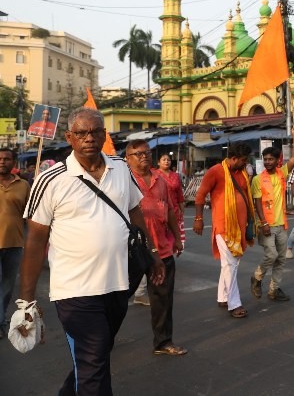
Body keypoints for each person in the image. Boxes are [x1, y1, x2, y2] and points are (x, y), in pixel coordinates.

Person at [17, 107, 165, 395]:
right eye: (82, 133)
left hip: (118, 285)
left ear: (104, 135)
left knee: (93, 358)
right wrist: (26, 301)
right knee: (95, 363)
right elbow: (35, 241)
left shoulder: (121, 169)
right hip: (75, 292)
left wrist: (153, 254)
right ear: (69, 137)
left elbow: (135, 212)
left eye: (96, 131)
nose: (89, 138)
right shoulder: (51, 180)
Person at [126, 141, 186, 356]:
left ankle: (163, 342)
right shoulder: (124, 181)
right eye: (138, 154)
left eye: (146, 153)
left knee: (163, 298)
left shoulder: (161, 179)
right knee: (115, 298)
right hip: (132, 250)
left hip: (162, 248)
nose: (143, 157)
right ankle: (102, 338)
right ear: (128, 158)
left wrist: (177, 238)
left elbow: (168, 209)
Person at [193, 143, 255, 319]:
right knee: (230, 264)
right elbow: (200, 195)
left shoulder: (241, 173)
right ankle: (234, 303)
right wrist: (198, 219)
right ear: (233, 158)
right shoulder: (215, 171)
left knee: (228, 264)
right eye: (243, 160)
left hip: (239, 226)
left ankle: (223, 296)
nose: (245, 164)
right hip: (223, 224)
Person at [250, 126, 294, 302]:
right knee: (271, 255)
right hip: (267, 225)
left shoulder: (281, 173)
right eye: (265, 159)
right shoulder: (257, 179)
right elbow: (257, 202)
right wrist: (263, 223)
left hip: (281, 225)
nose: (268, 162)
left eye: (271, 159)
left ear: (277, 160)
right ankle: (257, 277)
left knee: (280, 259)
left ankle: (274, 289)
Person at [0, 148, 30, 338]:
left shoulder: (24, 185)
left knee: (7, 287)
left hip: (14, 243)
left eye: (7, 159)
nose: (2, 161)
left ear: (14, 163)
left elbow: (30, 215)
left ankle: (1, 318)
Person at [158, 153, 186, 245]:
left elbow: (179, 194)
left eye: (168, 160)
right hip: (160, 210)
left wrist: (182, 208)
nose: (166, 161)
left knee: (175, 237)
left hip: (174, 209)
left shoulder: (175, 176)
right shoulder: (154, 175)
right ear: (159, 162)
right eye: (164, 159)